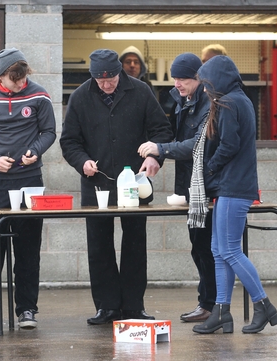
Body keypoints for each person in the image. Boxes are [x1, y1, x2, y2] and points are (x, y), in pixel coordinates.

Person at [60, 49, 173, 325]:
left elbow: (162, 131)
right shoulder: (80, 97)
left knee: (135, 243)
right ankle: (107, 307)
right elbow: (69, 142)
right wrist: (82, 161)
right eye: (100, 81)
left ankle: (134, 306)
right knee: (99, 245)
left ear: (119, 72)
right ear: (93, 76)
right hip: (96, 182)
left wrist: (153, 156)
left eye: (111, 79)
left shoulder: (141, 92)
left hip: (135, 181)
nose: (106, 85)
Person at [0, 48, 56, 330]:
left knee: (28, 250)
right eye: (13, 80)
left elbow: (49, 132)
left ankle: (26, 309)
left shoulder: (39, 95)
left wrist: (35, 152)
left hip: (30, 180)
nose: (19, 84)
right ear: (0, 75)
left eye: (22, 79)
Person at [187, 55, 277, 335]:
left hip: (233, 187)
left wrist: (209, 171)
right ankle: (221, 312)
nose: (204, 90)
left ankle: (263, 305)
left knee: (228, 250)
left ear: (218, 80)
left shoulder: (227, 102)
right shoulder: (242, 99)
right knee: (219, 251)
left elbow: (228, 145)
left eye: (207, 84)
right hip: (237, 186)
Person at [137, 53, 216, 323]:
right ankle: (207, 304)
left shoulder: (208, 103)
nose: (177, 83)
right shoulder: (183, 100)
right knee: (199, 247)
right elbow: (172, 134)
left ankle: (212, 305)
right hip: (190, 187)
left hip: (208, 187)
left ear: (198, 78)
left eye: (183, 78)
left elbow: (198, 145)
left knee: (207, 248)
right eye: (174, 77)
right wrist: (155, 157)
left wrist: (161, 149)